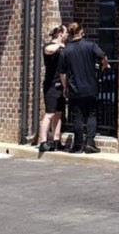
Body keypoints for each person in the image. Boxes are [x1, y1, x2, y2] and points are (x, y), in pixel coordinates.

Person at [59, 22, 110, 154]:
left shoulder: (66, 50)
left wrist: (65, 88)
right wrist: (103, 69)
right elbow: (103, 58)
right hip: (90, 86)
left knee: (78, 117)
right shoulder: (90, 45)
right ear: (81, 31)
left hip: (75, 88)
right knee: (92, 115)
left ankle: (77, 145)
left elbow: (62, 72)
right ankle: (90, 143)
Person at [37, 24, 68, 153]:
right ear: (61, 33)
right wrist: (59, 45)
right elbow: (48, 49)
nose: (67, 35)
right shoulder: (50, 46)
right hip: (50, 86)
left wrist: (65, 86)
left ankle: (56, 141)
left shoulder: (63, 50)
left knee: (59, 113)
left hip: (60, 85)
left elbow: (63, 71)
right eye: (65, 33)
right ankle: (43, 142)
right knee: (49, 113)